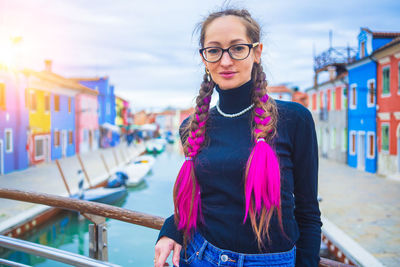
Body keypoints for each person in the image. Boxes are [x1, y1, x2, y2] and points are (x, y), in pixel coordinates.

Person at [154, 8, 322, 267]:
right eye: (214, 50)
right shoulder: (192, 126)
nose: (225, 61)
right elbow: (202, 199)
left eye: (237, 48)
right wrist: (170, 229)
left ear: (256, 52)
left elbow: (308, 212)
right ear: (204, 58)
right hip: (201, 256)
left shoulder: (295, 119)